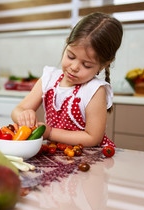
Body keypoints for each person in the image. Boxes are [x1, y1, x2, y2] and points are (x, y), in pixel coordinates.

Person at [11, 12, 123, 147]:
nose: (74, 67)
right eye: (71, 56)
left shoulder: (94, 90)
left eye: (86, 65)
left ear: (104, 64)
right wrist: (24, 116)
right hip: (56, 154)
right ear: (67, 43)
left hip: (87, 158)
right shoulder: (49, 78)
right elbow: (18, 110)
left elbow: (93, 138)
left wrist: (51, 133)